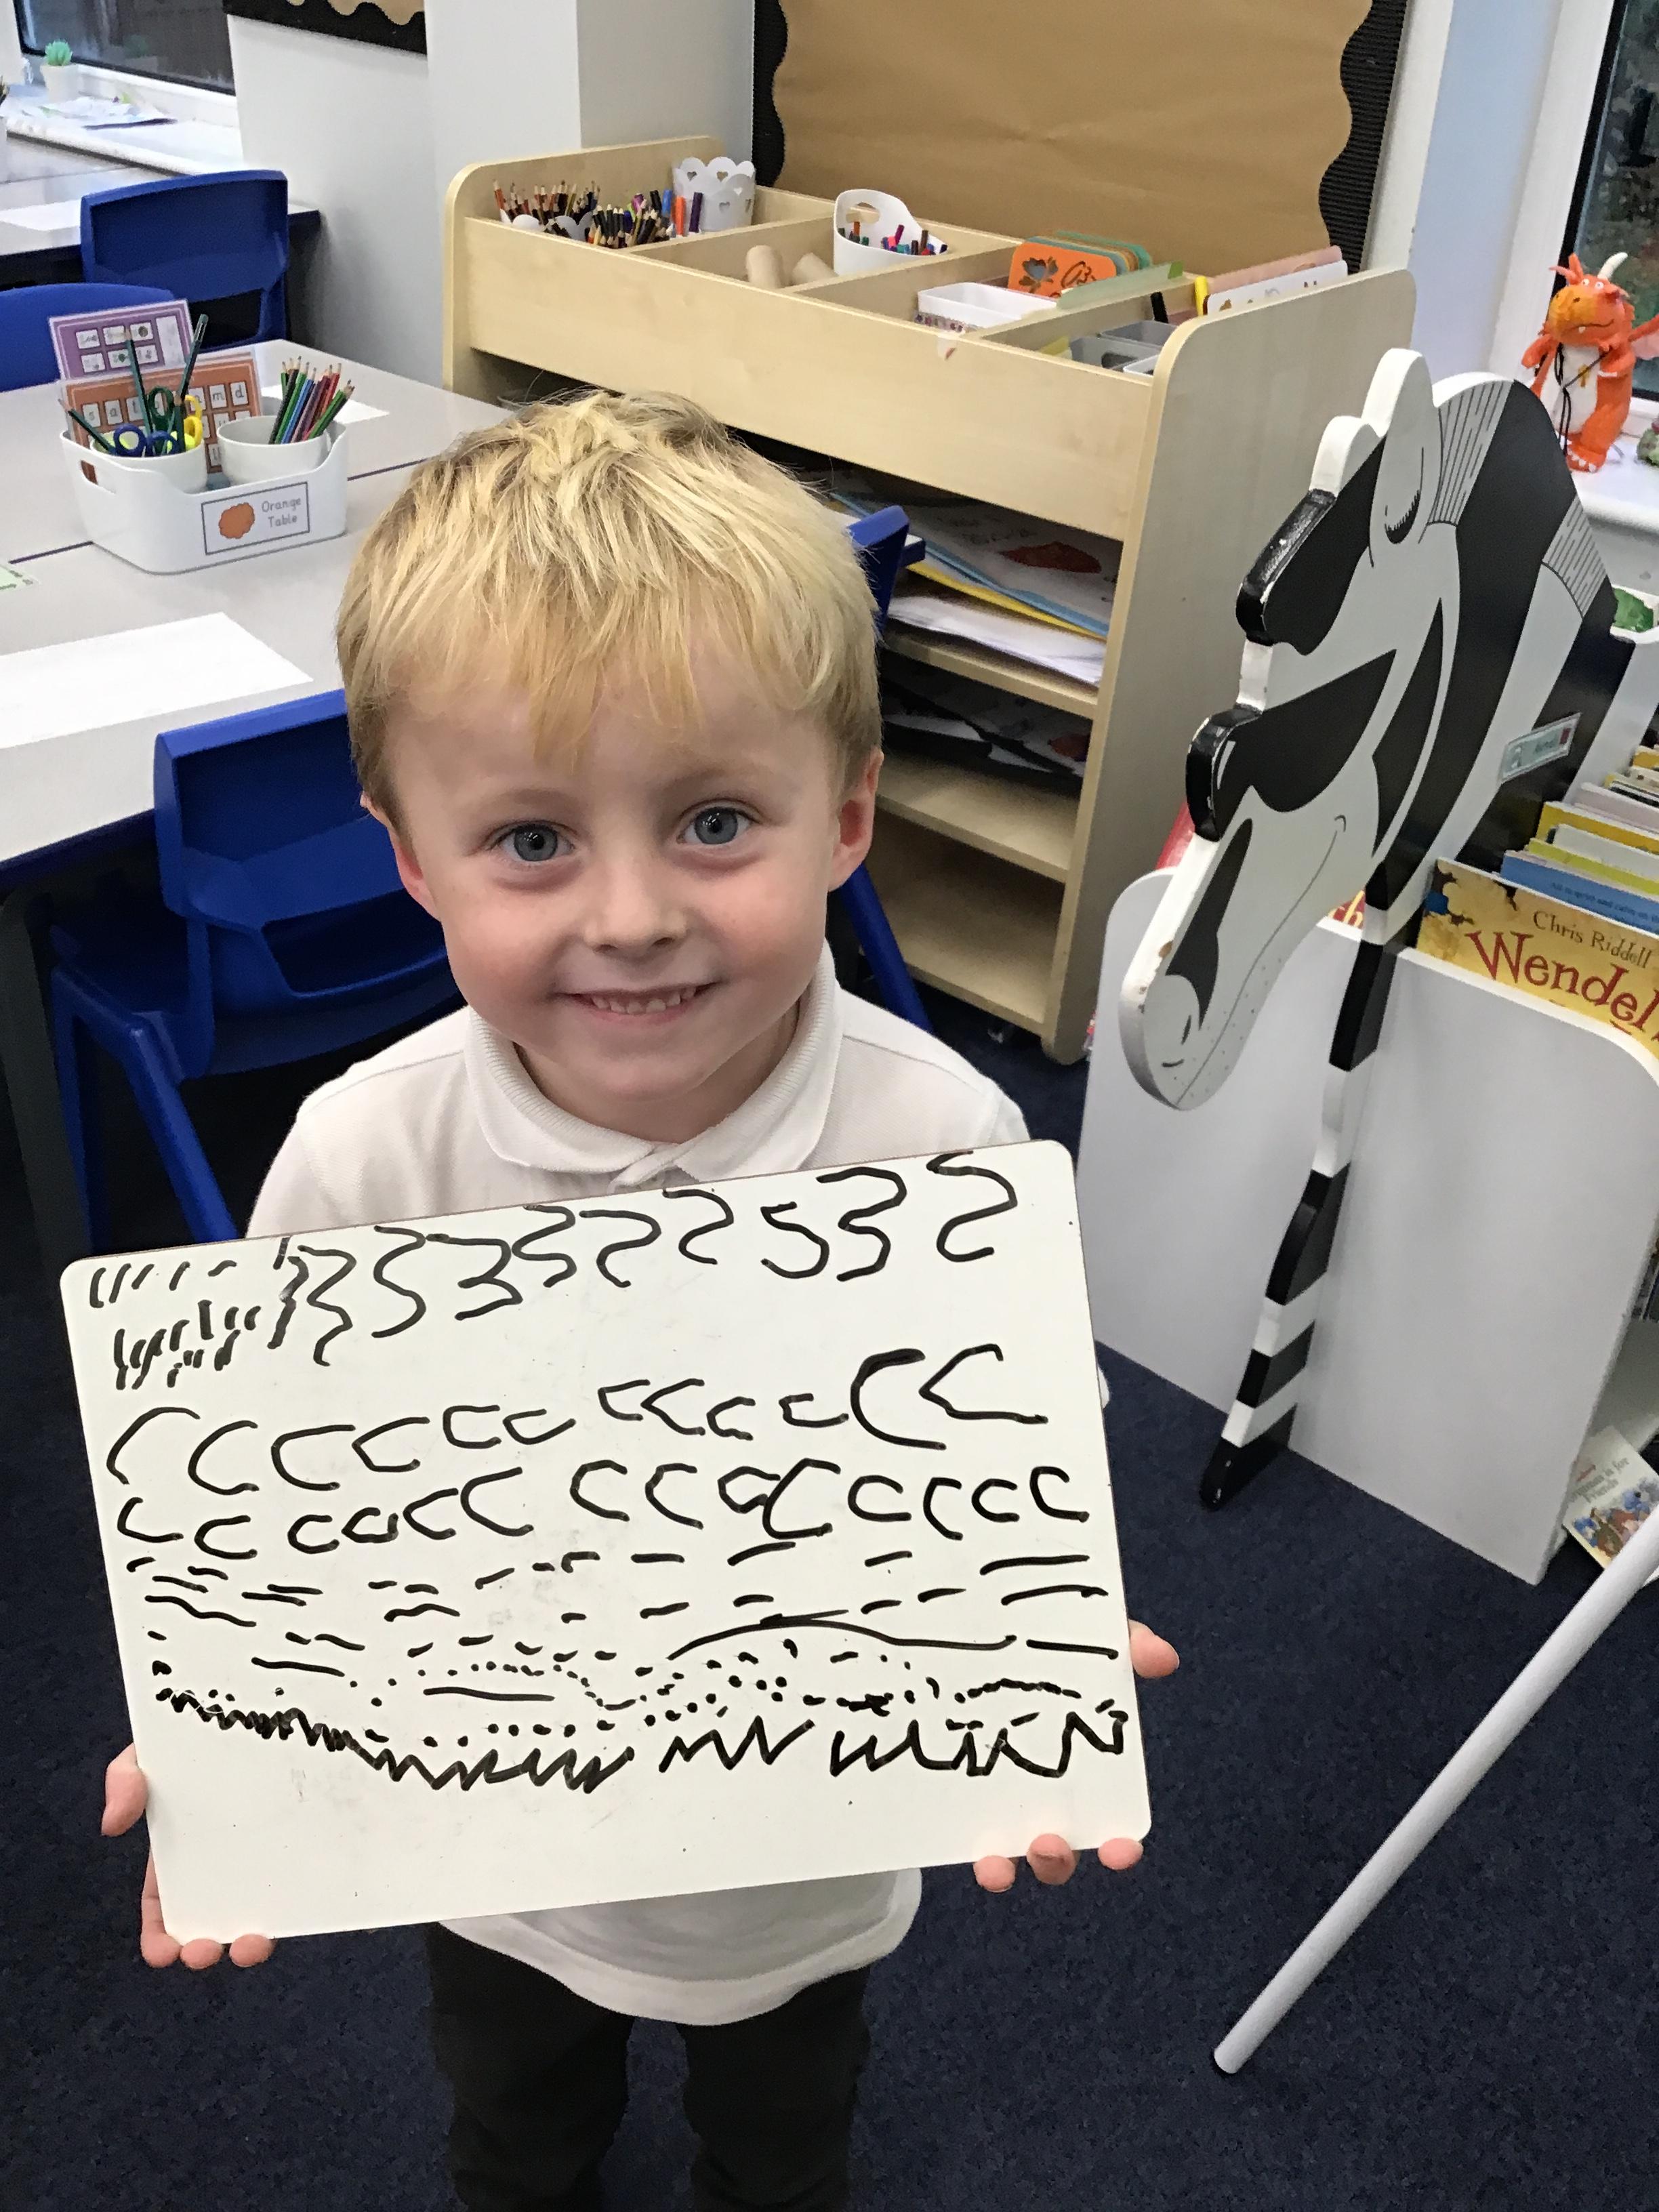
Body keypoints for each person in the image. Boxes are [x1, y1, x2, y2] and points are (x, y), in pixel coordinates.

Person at [101, 391, 1179, 2212]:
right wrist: (223, 1726)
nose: (629, 916)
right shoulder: (365, 1159)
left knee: (786, 2141)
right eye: (531, 841)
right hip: (503, 1863)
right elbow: (274, 1518)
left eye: (713, 821)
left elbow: (1014, 1461)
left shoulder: (943, 1144)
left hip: (809, 1852)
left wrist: (1043, 1637)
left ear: (845, 818)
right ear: (411, 859)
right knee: (515, 2134)